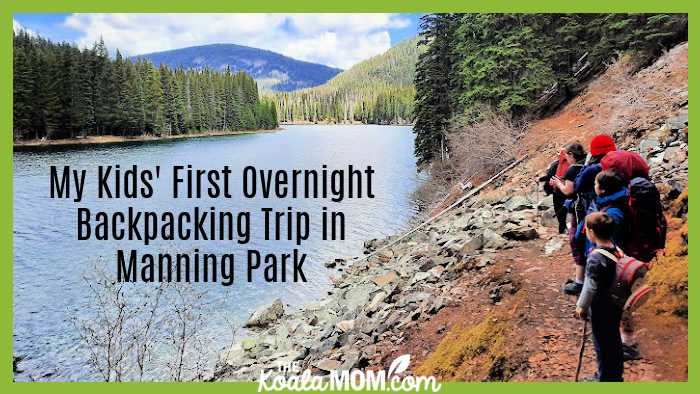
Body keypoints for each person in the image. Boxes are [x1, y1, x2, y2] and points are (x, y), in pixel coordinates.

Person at [575, 212, 624, 382]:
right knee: (614, 339)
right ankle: (616, 374)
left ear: (591, 233)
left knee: (602, 344)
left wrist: (582, 306)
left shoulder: (595, 257)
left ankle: (605, 377)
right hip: (616, 303)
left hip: (601, 306)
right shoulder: (617, 250)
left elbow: (590, 287)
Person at [550, 141, 586, 295]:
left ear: (571, 155)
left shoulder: (573, 169)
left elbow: (568, 191)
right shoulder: (588, 163)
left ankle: (579, 282)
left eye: (567, 157)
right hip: (591, 206)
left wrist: (558, 183)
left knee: (577, 242)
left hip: (579, 209)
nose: (566, 159)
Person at [535, 149, 569, 233]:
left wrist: (539, 179)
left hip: (558, 190)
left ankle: (562, 229)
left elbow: (549, 176)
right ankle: (566, 228)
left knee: (558, 210)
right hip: (568, 189)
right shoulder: (572, 163)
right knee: (565, 208)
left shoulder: (556, 164)